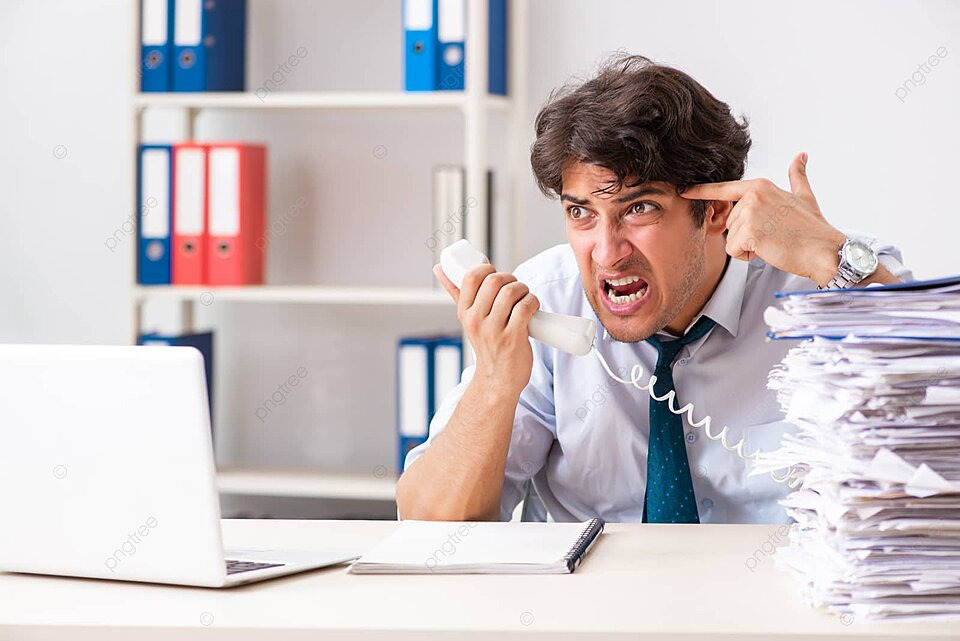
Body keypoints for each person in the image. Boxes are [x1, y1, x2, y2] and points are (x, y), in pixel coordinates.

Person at [396, 54, 911, 523]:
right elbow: (425, 527)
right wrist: (494, 382)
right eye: (581, 213)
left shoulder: (824, 285)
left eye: (638, 209)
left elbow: (935, 426)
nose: (605, 251)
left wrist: (835, 261)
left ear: (715, 211)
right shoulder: (545, 299)